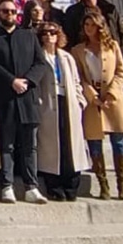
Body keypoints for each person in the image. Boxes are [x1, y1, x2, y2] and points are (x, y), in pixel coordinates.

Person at [0, 0, 50, 204]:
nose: (8, 14)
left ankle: (31, 186)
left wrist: (27, 81)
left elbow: (41, 63)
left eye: (12, 11)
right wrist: (11, 81)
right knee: (7, 145)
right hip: (6, 98)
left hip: (27, 98)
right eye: (4, 11)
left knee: (30, 146)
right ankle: (7, 185)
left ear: (17, 13)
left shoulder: (28, 35)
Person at [71, 9, 123, 201]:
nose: (89, 29)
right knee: (95, 143)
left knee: (119, 141)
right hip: (93, 99)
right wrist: (91, 95)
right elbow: (80, 76)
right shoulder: (78, 50)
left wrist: (112, 93)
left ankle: (121, 183)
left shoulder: (112, 46)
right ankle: (103, 184)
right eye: (86, 25)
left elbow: (120, 72)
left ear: (100, 26)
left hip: (112, 99)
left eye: (93, 25)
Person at [37, 21, 90, 202]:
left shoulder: (66, 57)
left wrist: (80, 102)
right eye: (45, 33)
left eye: (53, 32)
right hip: (48, 104)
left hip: (68, 102)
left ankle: (71, 185)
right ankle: (55, 186)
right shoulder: (39, 57)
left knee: (70, 144)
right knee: (52, 146)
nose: (49, 36)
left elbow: (76, 81)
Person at [63, 0, 123, 95]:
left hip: (111, 61)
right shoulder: (73, 12)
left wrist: (122, 60)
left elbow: (122, 35)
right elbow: (70, 39)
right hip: (88, 63)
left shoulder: (109, 8)